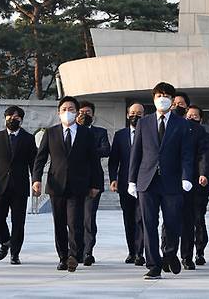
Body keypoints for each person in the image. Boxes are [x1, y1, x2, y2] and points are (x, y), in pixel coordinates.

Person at [128, 82, 194, 280]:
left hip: (172, 181)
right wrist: (131, 180)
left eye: (166, 95)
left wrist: (186, 176)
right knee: (148, 224)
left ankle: (170, 253)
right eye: (159, 95)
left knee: (173, 222)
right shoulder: (144, 122)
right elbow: (136, 153)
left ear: (172, 100)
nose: (162, 98)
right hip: (147, 181)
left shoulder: (182, 124)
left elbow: (187, 154)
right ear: (154, 98)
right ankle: (154, 264)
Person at [32, 96, 103, 272]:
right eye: (64, 109)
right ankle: (63, 257)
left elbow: (94, 161)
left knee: (75, 222)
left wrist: (95, 184)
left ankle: (73, 255)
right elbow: (40, 158)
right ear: (58, 112)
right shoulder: (51, 133)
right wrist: (36, 179)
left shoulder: (86, 133)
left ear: (77, 112)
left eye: (71, 109)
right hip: (56, 185)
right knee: (59, 223)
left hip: (78, 185)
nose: (67, 112)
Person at [0, 106, 37, 265]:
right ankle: (5, 241)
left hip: (20, 186)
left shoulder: (28, 138)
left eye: (16, 117)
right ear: (5, 118)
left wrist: (35, 181)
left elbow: (33, 163)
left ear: (21, 119)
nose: (12, 119)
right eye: (9, 116)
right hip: (0, 185)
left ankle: (15, 253)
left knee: (18, 221)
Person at [168, 92, 209, 271]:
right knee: (168, 220)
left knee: (188, 220)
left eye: (181, 103)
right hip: (168, 180)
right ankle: (168, 254)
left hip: (189, 182)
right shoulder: (163, 125)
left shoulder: (195, 129)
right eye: (174, 103)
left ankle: (187, 256)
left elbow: (203, 154)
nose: (177, 106)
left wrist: (202, 173)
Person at [108, 102, 146, 266]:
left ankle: (140, 253)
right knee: (128, 218)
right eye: (132, 113)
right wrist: (113, 179)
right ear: (127, 114)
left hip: (144, 183)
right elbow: (113, 160)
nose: (135, 116)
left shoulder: (149, 133)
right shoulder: (120, 135)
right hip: (124, 183)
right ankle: (131, 251)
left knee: (141, 218)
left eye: (139, 113)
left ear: (144, 116)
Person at [75, 100, 111, 266]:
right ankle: (76, 251)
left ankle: (88, 251)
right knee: (74, 219)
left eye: (87, 112)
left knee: (89, 218)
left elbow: (106, 150)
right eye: (81, 112)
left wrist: (87, 150)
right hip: (73, 182)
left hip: (92, 182)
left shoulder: (100, 132)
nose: (84, 115)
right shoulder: (70, 132)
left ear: (93, 115)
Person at [185, 104, 209, 266]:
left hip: (200, 184)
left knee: (198, 218)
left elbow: (208, 158)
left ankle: (199, 251)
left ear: (201, 119)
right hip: (181, 183)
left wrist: (207, 176)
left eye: (195, 116)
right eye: (188, 116)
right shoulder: (179, 134)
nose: (191, 118)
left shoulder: (207, 136)